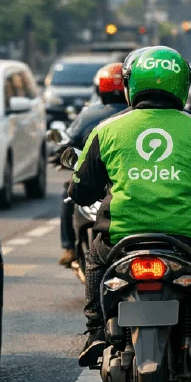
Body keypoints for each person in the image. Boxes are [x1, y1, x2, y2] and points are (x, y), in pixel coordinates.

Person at [69, 46, 191, 367]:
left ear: (131, 84)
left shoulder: (106, 130)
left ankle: (95, 332)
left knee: (93, 260)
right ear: (183, 85)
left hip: (119, 240)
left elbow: (80, 192)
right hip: (190, 240)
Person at [59, 62, 130, 267]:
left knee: (69, 193)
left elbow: (69, 140)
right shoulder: (141, 117)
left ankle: (69, 247)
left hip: (95, 178)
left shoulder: (90, 115)